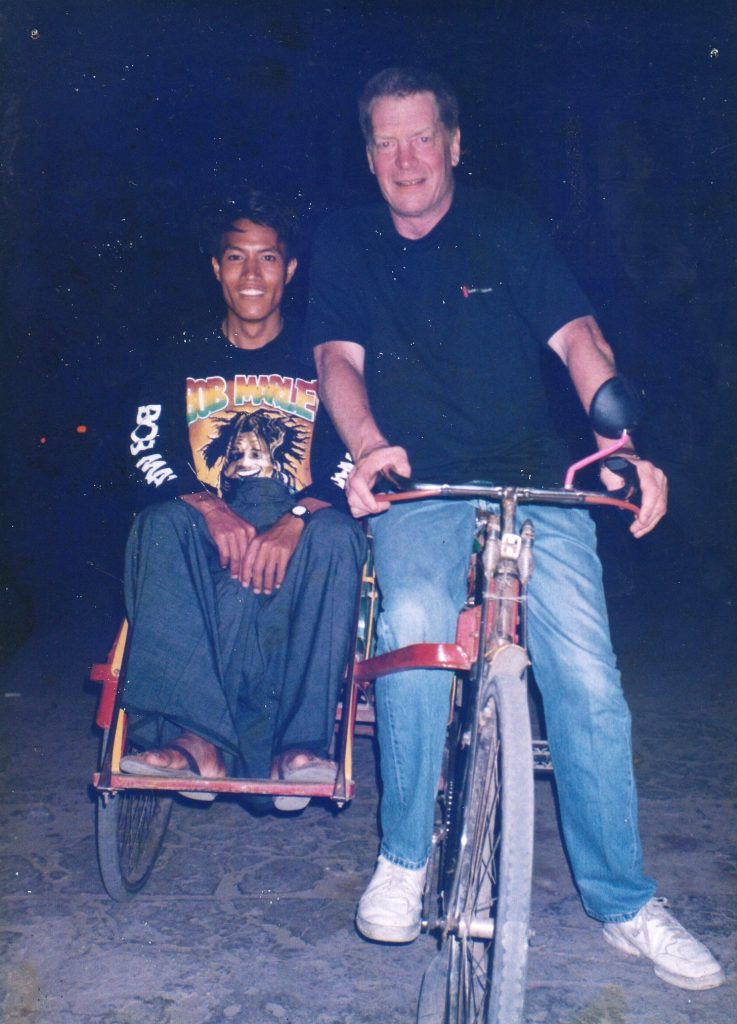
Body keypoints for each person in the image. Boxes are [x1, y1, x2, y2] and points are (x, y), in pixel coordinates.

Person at [306, 68, 724, 989]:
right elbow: (337, 359)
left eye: (423, 139)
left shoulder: (508, 227)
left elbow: (579, 340)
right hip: (417, 481)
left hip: (534, 480)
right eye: (386, 142)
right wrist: (370, 446)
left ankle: (622, 902)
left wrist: (616, 443)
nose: (406, 160)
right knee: (412, 617)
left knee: (583, 671)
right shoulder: (345, 241)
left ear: (454, 145)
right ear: (369, 155)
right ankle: (405, 857)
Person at [119, 190, 365, 811]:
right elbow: (145, 452)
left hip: (298, 534)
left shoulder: (321, 358)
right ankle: (194, 739)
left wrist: (296, 519)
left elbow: (351, 454)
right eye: (236, 258)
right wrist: (209, 508)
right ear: (216, 268)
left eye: (268, 259)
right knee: (159, 525)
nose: (252, 275)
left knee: (339, 535)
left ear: (290, 269)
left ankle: (299, 746)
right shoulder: (177, 355)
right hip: (210, 528)